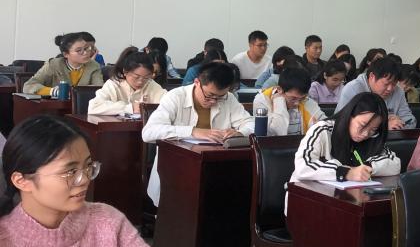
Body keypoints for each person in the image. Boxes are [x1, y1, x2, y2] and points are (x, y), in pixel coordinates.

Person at [0, 115, 180, 247]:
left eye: (87, 167)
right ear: (21, 181)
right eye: (70, 172)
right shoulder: (5, 237)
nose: (84, 179)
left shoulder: (105, 220)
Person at [141, 62, 255, 203]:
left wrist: (240, 133)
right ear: (197, 83)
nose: (213, 101)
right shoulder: (175, 97)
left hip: (215, 167)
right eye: (209, 95)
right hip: (177, 168)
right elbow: (149, 132)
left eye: (220, 97)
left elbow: (251, 123)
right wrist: (193, 131)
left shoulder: (229, 98)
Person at [290, 92, 400, 192]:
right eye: (362, 125)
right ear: (350, 115)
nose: (366, 133)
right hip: (307, 196)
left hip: (346, 198)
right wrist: (345, 172)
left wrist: (365, 168)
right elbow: (302, 166)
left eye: (373, 129)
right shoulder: (323, 130)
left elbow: (394, 163)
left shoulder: (373, 137)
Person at [337, 57, 415, 129]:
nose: (390, 89)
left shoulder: (398, 91)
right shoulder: (353, 89)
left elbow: (411, 121)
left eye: (394, 84)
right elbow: (342, 122)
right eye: (386, 84)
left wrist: (399, 123)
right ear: (372, 77)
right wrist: (384, 125)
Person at [88, 48, 166, 116]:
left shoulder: (150, 84)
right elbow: (94, 107)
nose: (140, 82)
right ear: (125, 72)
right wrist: (130, 108)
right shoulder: (114, 84)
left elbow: (168, 102)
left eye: (146, 77)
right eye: (136, 77)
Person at [252, 68, 326, 137]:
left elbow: (325, 124)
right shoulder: (262, 100)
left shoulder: (305, 100)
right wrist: (279, 102)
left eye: (302, 98)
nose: (297, 103)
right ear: (279, 90)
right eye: (293, 98)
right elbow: (276, 133)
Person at [24, 33, 104, 96]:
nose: (86, 53)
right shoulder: (53, 64)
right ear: (66, 54)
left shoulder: (94, 65)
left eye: (86, 48)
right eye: (79, 50)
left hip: (83, 107)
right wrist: (52, 91)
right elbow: (29, 85)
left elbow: (100, 88)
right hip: (56, 107)